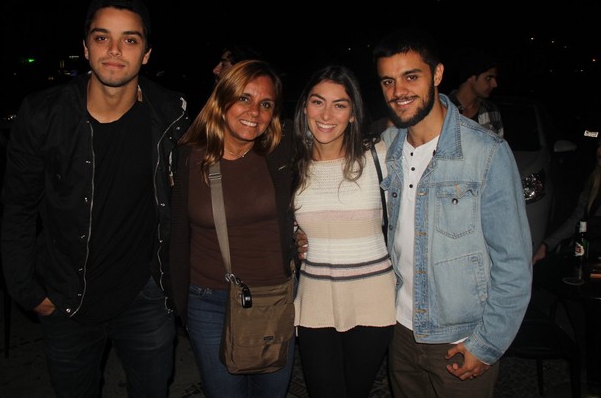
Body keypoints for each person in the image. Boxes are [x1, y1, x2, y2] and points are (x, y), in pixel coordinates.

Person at [0, 0, 190, 398]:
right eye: (103, 38)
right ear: (85, 48)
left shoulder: (171, 115)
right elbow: (18, 206)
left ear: (147, 53)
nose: (115, 50)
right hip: (66, 298)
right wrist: (29, 292)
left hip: (146, 296)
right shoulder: (43, 114)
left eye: (130, 40)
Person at [374, 28, 532, 398]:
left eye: (411, 77)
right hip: (400, 330)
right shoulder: (387, 148)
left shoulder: (486, 153)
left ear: (438, 74)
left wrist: (487, 343)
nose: (398, 92)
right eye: (388, 81)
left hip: (460, 338)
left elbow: (514, 262)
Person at [169, 59, 296, 398]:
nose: (254, 111)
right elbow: (175, 232)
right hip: (208, 300)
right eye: (243, 98)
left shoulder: (282, 152)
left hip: (274, 299)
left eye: (266, 104)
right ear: (222, 100)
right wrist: (175, 299)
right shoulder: (187, 157)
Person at [291, 64, 396, 398]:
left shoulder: (378, 157)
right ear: (305, 107)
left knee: (356, 391)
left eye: (340, 104)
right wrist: (292, 234)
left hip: (374, 300)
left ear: (353, 113)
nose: (326, 114)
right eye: (317, 101)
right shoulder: (291, 165)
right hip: (315, 301)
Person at [533, 138, 601, 263]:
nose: (599, 150)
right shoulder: (594, 182)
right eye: (599, 145)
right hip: (591, 251)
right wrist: (546, 245)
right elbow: (576, 219)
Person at [446, 49, 503, 137]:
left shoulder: (491, 110)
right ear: (470, 77)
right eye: (488, 78)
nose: (494, 84)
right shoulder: (443, 107)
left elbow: (499, 147)